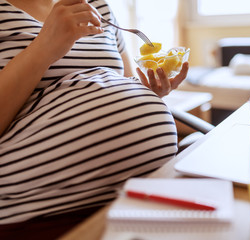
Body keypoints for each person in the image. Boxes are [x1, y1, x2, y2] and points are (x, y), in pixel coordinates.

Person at [0, 0, 189, 224]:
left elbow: (125, 81)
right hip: (38, 217)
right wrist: (44, 47)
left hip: (133, 199)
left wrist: (147, 93)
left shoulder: (99, 7)